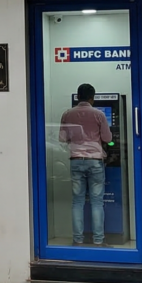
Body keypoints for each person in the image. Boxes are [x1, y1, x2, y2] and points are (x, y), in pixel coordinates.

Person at [58, 84, 112, 246]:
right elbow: (108, 139)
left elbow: (62, 138)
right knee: (97, 202)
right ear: (92, 98)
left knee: (77, 201)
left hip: (75, 160)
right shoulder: (99, 114)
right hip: (95, 161)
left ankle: (78, 240)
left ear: (77, 96)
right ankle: (98, 240)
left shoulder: (67, 114)